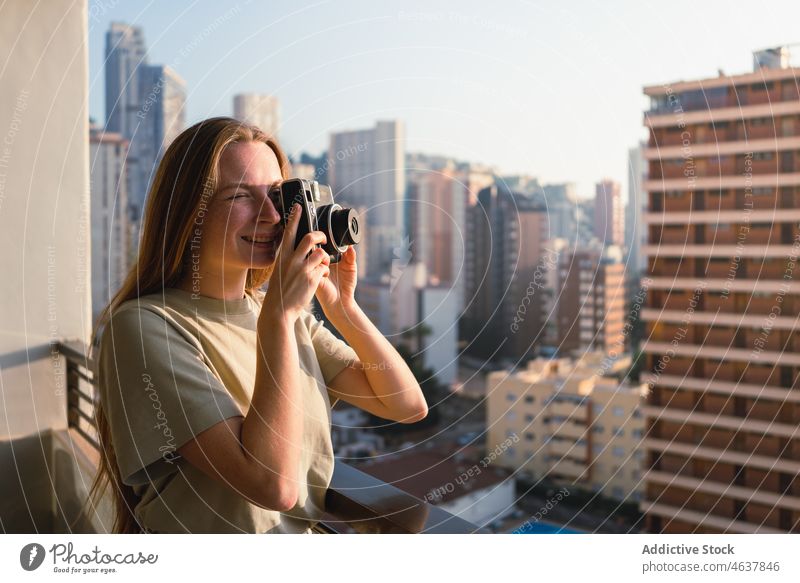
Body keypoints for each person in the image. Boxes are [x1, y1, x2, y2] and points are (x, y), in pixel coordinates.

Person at [87, 117, 428, 533]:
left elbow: (406, 405)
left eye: (276, 195)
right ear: (188, 212)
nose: (269, 216)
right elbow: (273, 485)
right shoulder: (144, 327)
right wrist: (280, 319)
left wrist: (344, 311)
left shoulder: (285, 315)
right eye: (239, 198)